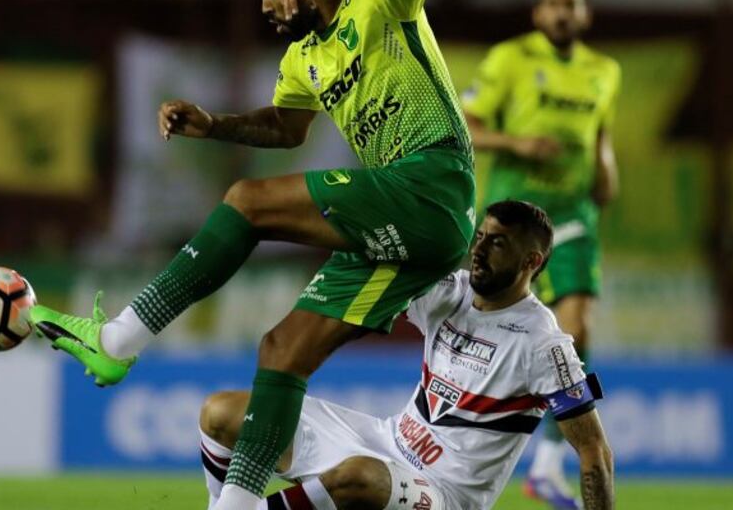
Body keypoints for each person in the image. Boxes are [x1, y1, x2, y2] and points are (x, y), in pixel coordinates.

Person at [29, 0, 475, 510]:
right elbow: (286, 129)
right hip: (402, 228)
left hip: (433, 183)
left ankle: (118, 338)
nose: (265, 7)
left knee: (248, 201)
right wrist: (216, 126)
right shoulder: (301, 59)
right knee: (281, 351)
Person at [198, 201, 614, 510]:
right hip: (384, 441)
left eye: (498, 243)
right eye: (481, 237)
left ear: (532, 261)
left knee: (358, 476)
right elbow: (383, 273)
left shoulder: (544, 343)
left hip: (442, 494)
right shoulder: (453, 292)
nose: (480, 250)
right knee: (221, 412)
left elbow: (594, 450)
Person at [462, 0, 620, 509]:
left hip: (574, 212)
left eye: (571, 5)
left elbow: (600, 132)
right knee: (496, 327)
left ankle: (549, 465)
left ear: (585, 15)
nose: (561, 13)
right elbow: (468, 123)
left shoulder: (605, 71)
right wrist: (518, 143)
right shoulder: (509, 59)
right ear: (537, 13)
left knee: (576, 327)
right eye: (552, 4)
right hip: (516, 216)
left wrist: (606, 168)